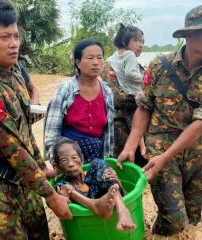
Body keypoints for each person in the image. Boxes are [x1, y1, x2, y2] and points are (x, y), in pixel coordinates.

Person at [0, 1, 72, 239]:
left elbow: (24, 133)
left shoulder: (14, 74)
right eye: (4, 37)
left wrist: (41, 168)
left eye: (16, 36)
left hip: (26, 184)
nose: (14, 44)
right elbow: (14, 149)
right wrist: (50, 195)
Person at [117, 5, 202, 236]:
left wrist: (166, 155)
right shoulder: (159, 66)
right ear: (191, 34)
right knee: (174, 218)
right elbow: (145, 107)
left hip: (197, 153)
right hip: (160, 147)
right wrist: (130, 145)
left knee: (193, 217)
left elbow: (199, 123)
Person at [44, 40, 115, 164]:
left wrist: (107, 163)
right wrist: (56, 162)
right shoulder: (66, 89)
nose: (96, 63)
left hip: (97, 159)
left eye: (99, 58)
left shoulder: (107, 92)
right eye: (90, 58)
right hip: (69, 161)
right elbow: (51, 132)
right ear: (78, 63)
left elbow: (108, 134)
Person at [53, 137, 135, 231]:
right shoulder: (63, 184)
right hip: (89, 215)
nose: (71, 164)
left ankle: (122, 210)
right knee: (61, 187)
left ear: (82, 159)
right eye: (64, 161)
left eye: (74, 158)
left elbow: (122, 192)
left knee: (97, 163)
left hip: (111, 200)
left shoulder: (92, 174)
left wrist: (117, 182)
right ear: (57, 167)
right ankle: (95, 205)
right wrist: (66, 196)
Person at [101, 24, 147, 166]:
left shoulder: (135, 63)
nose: (140, 45)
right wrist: (144, 99)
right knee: (121, 166)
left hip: (140, 121)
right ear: (124, 42)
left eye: (142, 42)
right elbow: (116, 97)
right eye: (137, 41)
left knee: (141, 165)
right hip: (121, 125)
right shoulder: (109, 64)